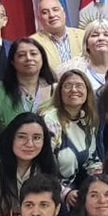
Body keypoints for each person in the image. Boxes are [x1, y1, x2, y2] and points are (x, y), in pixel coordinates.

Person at [41, 70, 100, 198]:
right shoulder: (50, 121)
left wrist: (100, 182)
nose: (74, 90)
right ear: (60, 92)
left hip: (75, 188)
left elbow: (91, 160)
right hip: (50, 190)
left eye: (79, 86)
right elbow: (42, 165)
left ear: (87, 92)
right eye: (68, 86)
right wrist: (64, 193)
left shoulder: (86, 121)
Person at [0, 38, 56, 133]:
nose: (28, 58)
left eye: (33, 54)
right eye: (21, 55)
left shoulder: (56, 91)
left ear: (42, 58)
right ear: (12, 62)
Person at [59, 19, 108, 91]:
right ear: (86, 44)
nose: (101, 38)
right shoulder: (73, 69)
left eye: (107, 35)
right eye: (95, 35)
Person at [30, 0, 85, 71]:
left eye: (55, 10)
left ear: (63, 13)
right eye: (45, 12)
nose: (52, 15)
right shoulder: (33, 43)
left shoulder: (84, 36)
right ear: (39, 18)